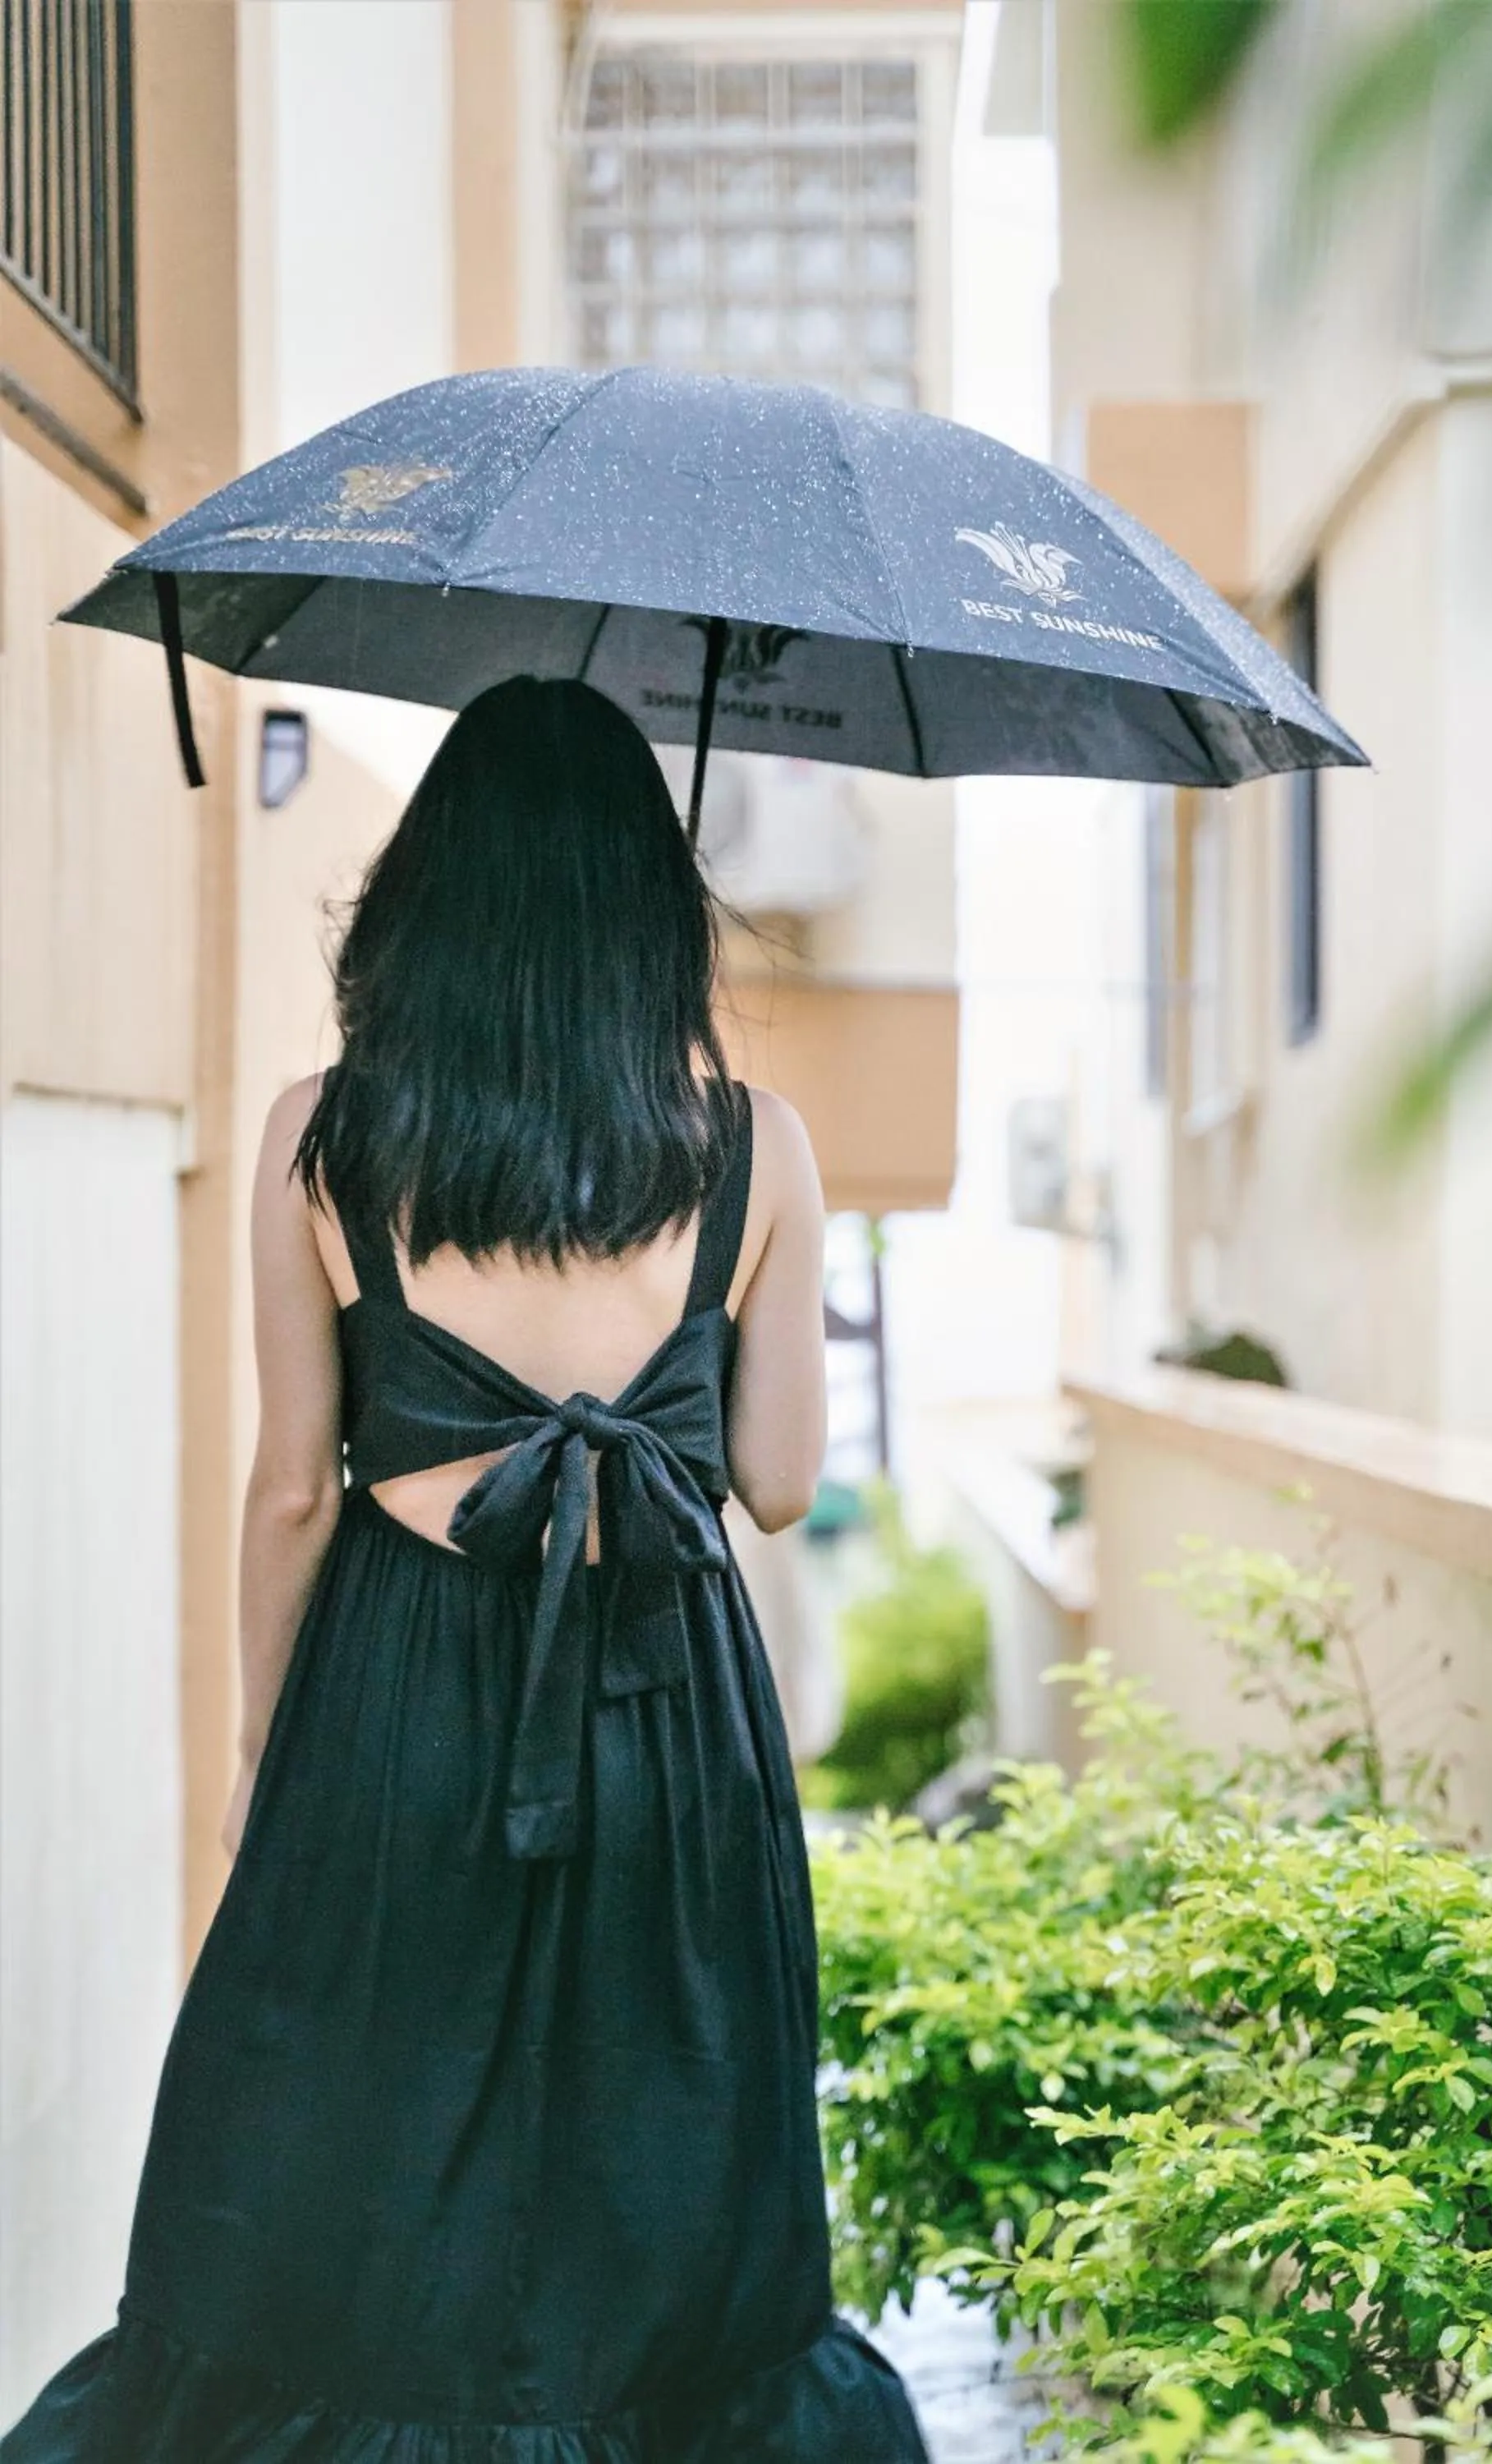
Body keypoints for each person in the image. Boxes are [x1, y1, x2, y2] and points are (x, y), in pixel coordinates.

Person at [1, 678, 929, 2462]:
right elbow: (784, 1484)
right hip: (668, 1714)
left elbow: (290, 1488)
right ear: (652, 910)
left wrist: (268, 1756)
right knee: (651, 2164)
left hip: (395, 1694)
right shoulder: (760, 1146)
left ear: (430, 893)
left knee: (361, 2165)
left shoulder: (322, 1132)